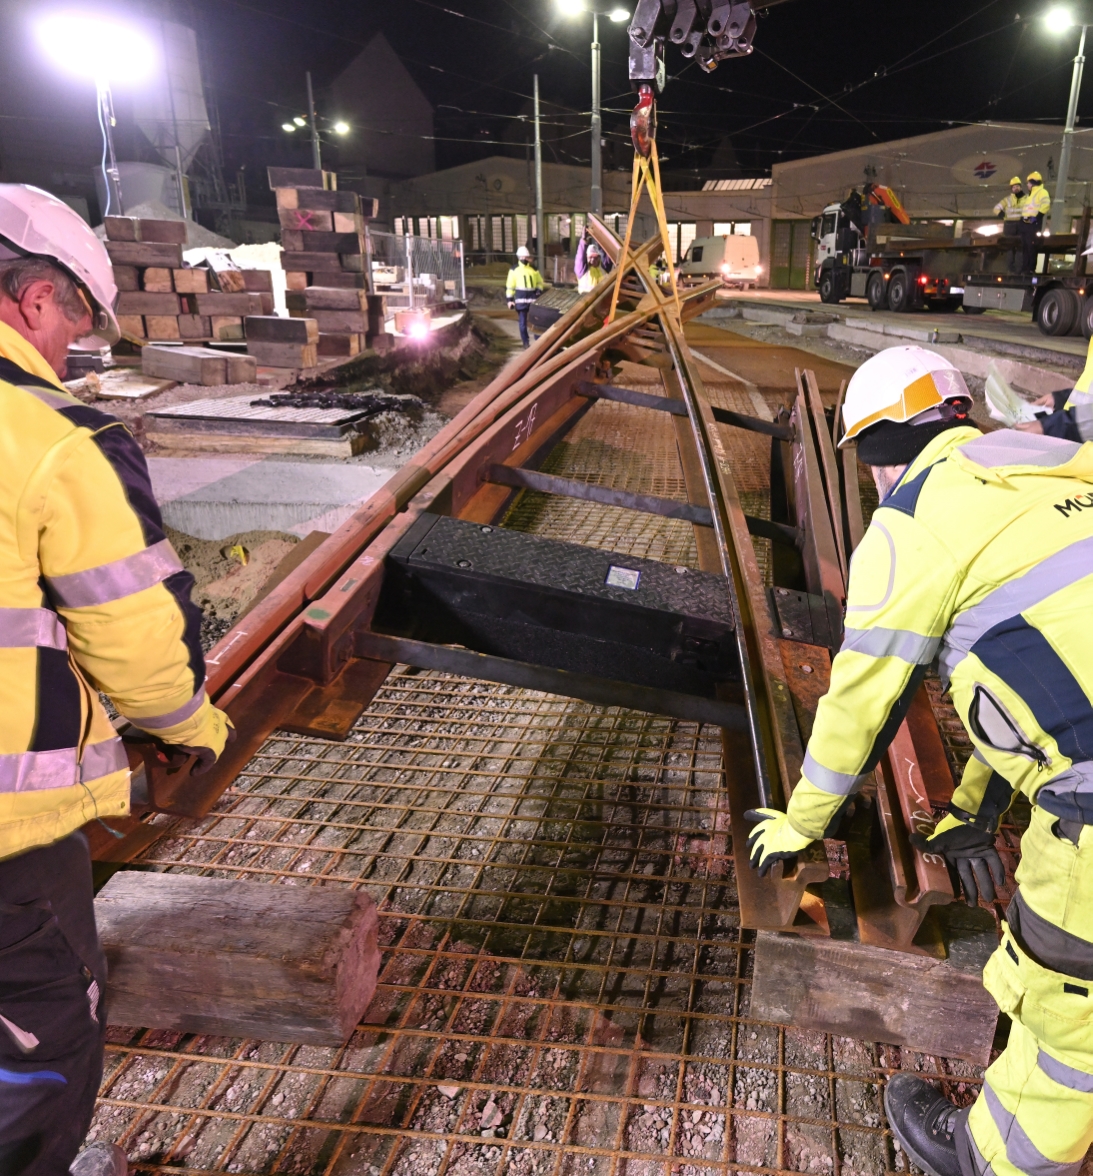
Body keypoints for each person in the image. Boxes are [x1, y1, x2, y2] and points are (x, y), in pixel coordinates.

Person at [745, 343, 1093, 1176]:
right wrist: (973, 810)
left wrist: (800, 825)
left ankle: (990, 1159)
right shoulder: (1057, 471)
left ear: (870, 460)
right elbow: (1052, 693)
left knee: (1065, 1000)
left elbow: (859, 708)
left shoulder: (908, 531)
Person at [0, 184, 233, 1176]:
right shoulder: (52, 437)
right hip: (10, 829)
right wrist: (190, 725)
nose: (74, 347)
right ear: (35, 298)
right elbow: (135, 642)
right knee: (35, 1046)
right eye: (78, 319)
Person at [505, 244, 544, 349]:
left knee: (535, 323)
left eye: (525, 257)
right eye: (522, 257)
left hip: (532, 301)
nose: (524, 259)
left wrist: (539, 290)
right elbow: (510, 286)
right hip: (521, 301)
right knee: (522, 324)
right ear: (519, 257)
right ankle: (526, 343)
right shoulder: (514, 270)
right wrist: (509, 300)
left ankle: (538, 343)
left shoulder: (533, 269)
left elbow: (540, 282)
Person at [1020, 170, 1051, 273]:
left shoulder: (1042, 192)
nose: (1027, 185)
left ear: (1032, 183)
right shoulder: (1031, 194)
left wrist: (1037, 217)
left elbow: (1046, 205)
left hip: (1033, 224)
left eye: (1028, 183)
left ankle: (1030, 269)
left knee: (1031, 247)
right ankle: (1025, 268)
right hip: (1026, 224)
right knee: (1025, 247)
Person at [993, 176, 1025, 273]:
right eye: (1013, 187)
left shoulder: (1027, 199)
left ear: (1021, 187)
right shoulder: (1007, 200)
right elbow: (996, 208)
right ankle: (1011, 270)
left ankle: (1018, 270)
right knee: (1010, 249)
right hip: (1010, 225)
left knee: (1020, 248)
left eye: (1017, 186)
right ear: (1011, 189)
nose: (1015, 188)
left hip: (1021, 225)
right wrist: (1003, 215)